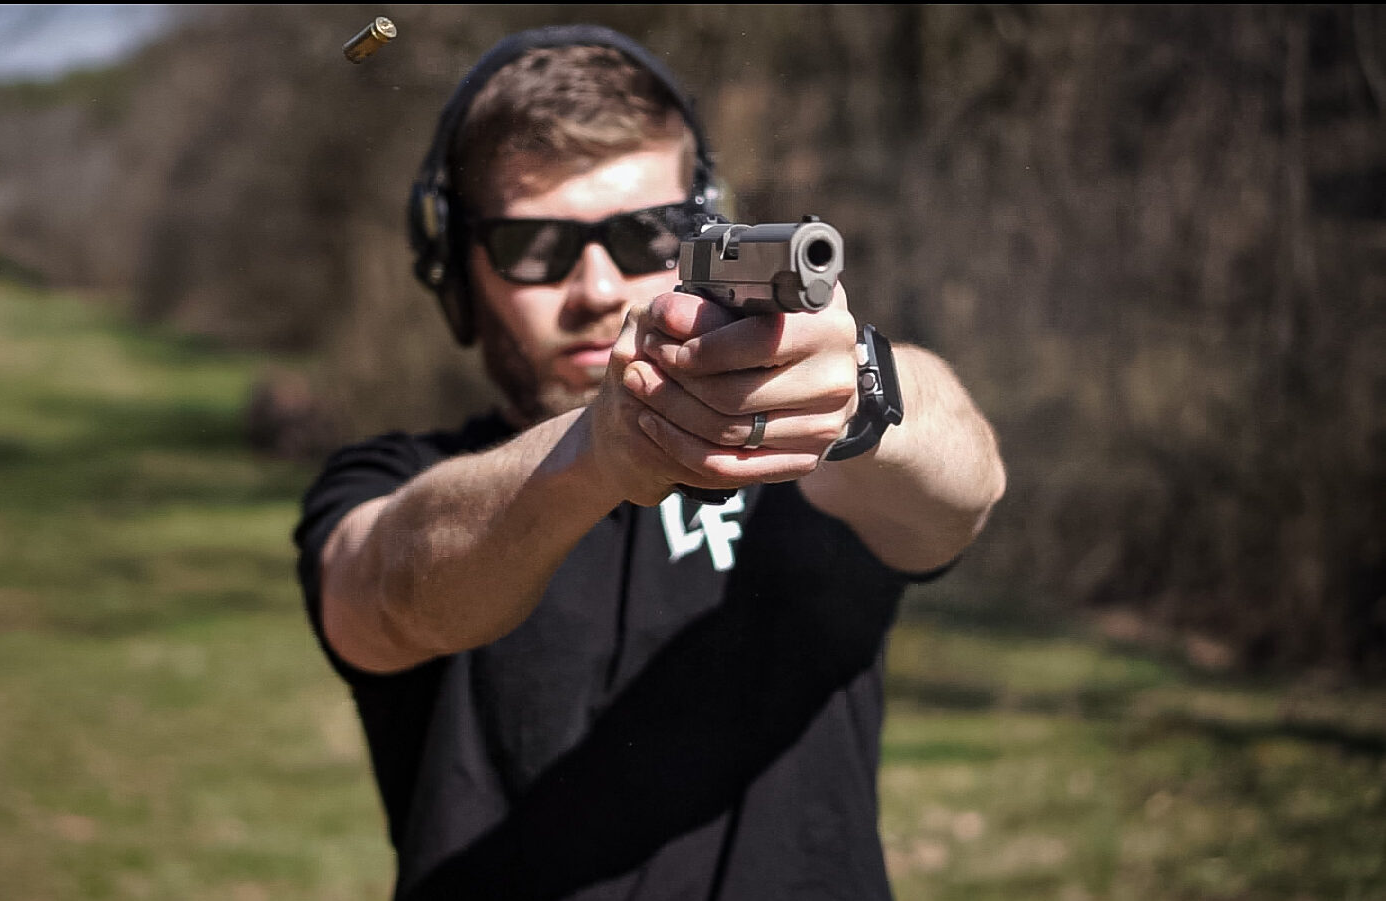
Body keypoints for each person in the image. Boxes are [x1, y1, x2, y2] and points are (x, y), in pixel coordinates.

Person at [294, 24, 1006, 901]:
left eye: (645, 235)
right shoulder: (396, 475)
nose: (595, 287)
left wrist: (864, 393)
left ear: (704, 225)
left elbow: (964, 488)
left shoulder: (805, 459)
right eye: (533, 247)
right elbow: (385, 590)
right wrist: (597, 450)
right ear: (455, 268)